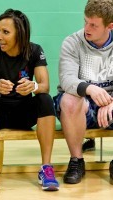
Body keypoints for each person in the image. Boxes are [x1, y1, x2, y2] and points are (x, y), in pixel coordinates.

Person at [0, 9, 60, 193]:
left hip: (24, 113)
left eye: (5, 32)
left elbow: (45, 84)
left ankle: (46, 168)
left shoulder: (34, 50)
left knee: (45, 99)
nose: (0, 36)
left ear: (20, 34)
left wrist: (34, 87)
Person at [54, 0, 113, 184]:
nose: (87, 28)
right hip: (81, 104)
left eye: (93, 25)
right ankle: (76, 160)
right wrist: (90, 89)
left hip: (109, 104)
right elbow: (67, 79)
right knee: (69, 100)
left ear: (109, 26)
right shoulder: (72, 42)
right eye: (85, 21)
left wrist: (110, 102)